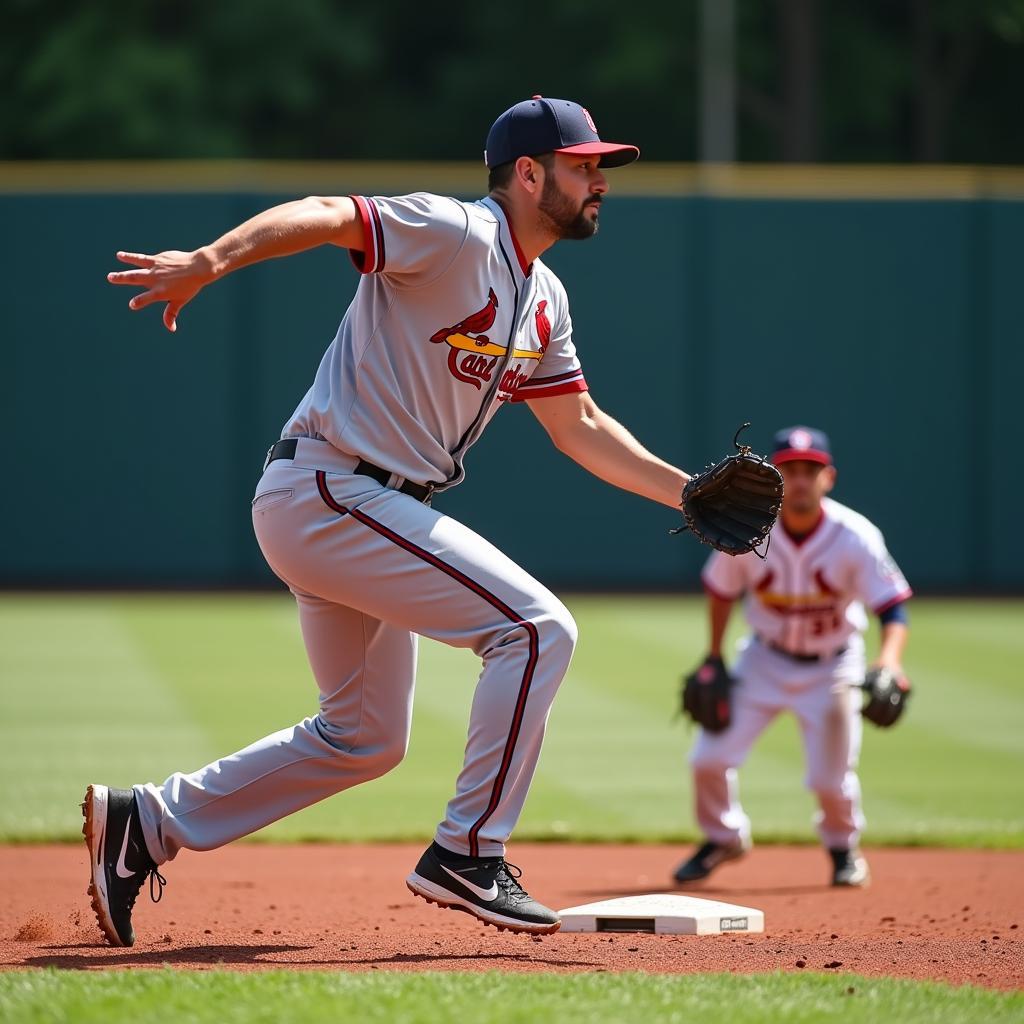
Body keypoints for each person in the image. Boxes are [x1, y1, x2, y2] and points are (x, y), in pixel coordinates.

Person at [89, 96, 698, 946]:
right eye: (583, 165)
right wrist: (212, 258)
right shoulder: (457, 232)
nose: (599, 181)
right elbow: (330, 214)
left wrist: (689, 494)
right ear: (528, 173)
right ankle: (468, 853)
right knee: (535, 629)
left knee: (364, 737)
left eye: (600, 167)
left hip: (354, 508)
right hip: (334, 492)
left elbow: (581, 427)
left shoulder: (544, 294)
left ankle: (147, 822)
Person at [673, 426, 912, 888]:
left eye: (810, 470)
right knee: (708, 758)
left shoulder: (855, 534)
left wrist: (890, 662)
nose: (800, 479)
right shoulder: (747, 527)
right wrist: (713, 657)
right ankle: (723, 837)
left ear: (828, 478)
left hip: (834, 666)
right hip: (763, 661)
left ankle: (843, 849)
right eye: (789, 469)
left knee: (831, 779)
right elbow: (721, 591)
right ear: (775, 477)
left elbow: (892, 606)